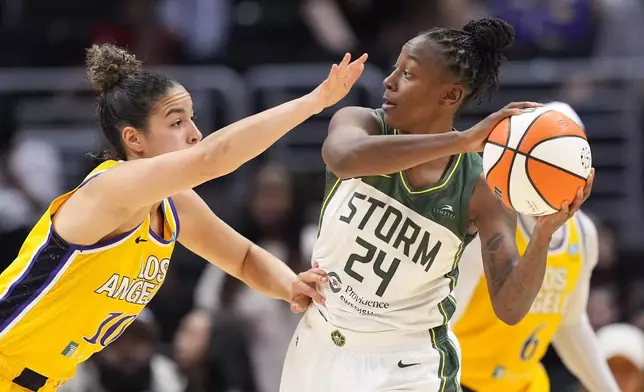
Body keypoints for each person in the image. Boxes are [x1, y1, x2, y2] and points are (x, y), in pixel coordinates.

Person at [0, 44, 367, 391]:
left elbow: (242, 258)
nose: (195, 135)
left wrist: (290, 286)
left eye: (193, 120)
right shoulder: (112, 187)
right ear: (134, 139)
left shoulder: (174, 205)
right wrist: (314, 102)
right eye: (177, 123)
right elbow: (213, 156)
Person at [279, 18, 594, 392]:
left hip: (410, 365)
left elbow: (510, 309)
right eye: (395, 68)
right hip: (320, 345)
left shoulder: (479, 186)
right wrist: (460, 141)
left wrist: (542, 235)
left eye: (408, 74)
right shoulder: (360, 124)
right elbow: (342, 159)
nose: (389, 81)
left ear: (449, 96)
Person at [451, 105, 618, 392]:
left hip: (526, 384)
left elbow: (570, 324)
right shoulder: (494, 223)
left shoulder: (584, 234)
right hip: (464, 380)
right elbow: (446, 318)